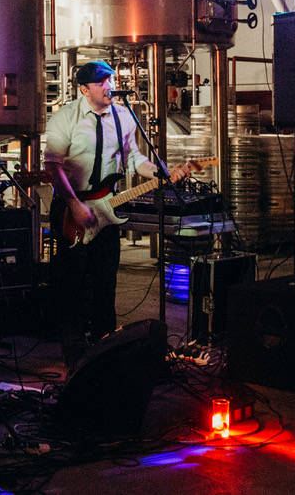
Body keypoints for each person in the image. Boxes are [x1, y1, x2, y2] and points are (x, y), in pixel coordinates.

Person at [44, 60, 189, 369]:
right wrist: (73, 204)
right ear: (84, 89)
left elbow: (134, 157)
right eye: (102, 82)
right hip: (72, 207)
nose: (109, 86)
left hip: (107, 206)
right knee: (74, 283)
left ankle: (103, 352)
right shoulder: (64, 118)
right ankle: (74, 356)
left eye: (110, 80)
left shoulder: (124, 117)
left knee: (105, 280)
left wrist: (158, 170)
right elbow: (53, 166)